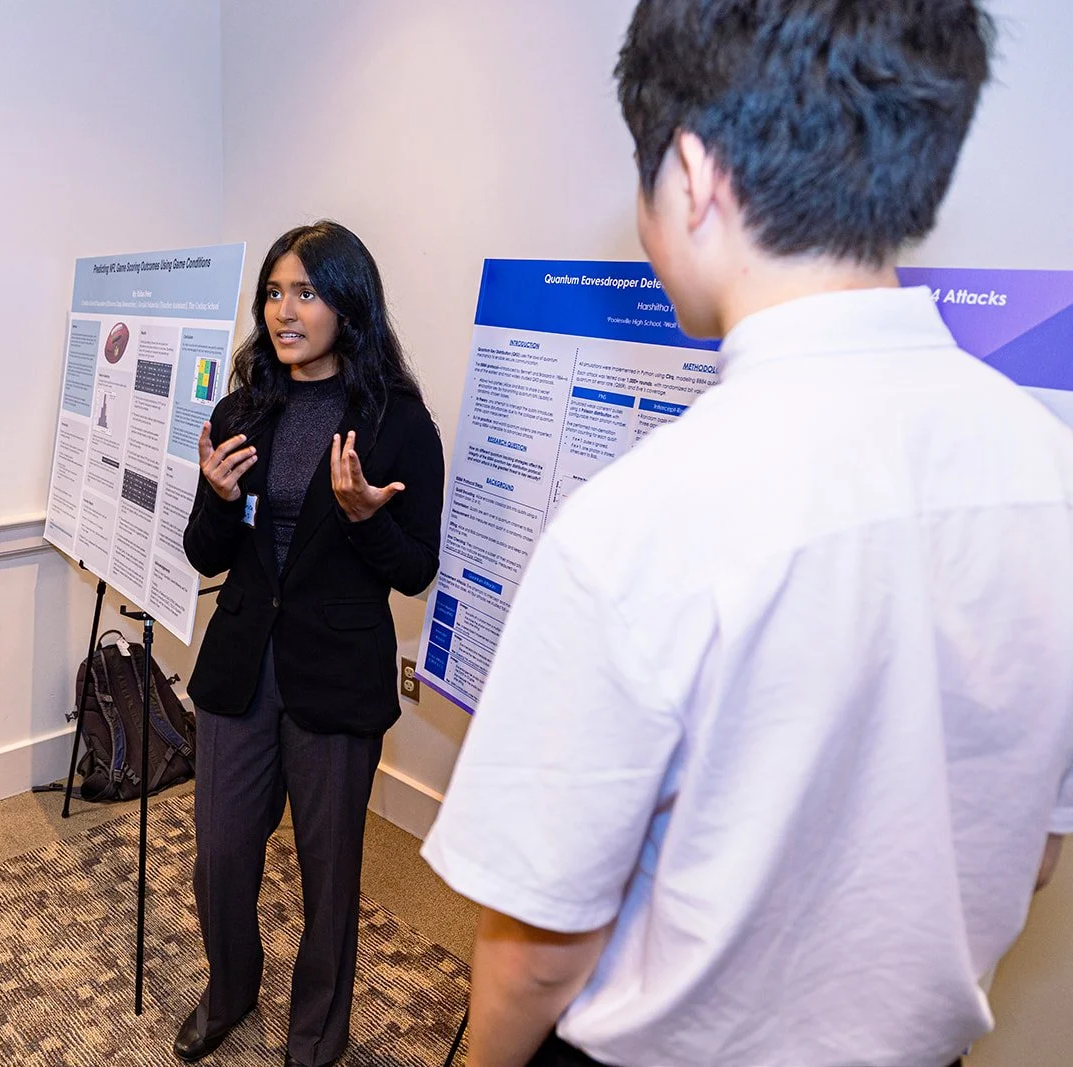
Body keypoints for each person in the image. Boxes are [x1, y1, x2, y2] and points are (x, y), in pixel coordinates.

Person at [422, 3, 1073, 1067]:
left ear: (690, 176)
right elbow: (1032, 850)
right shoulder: (1049, 474)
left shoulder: (635, 526)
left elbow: (538, 949)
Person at [179, 221, 444, 1067]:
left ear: (348, 303)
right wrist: (218, 500)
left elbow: (415, 570)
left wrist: (368, 520)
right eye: (274, 292)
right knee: (220, 853)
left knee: (330, 877)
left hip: (336, 674)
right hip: (241, 669)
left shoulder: (398, 423)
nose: (284, 311)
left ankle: (316, 1039)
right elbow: (203, 551)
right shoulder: (241, 408)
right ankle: (230, 991)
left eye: (305, 292)